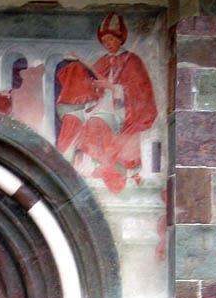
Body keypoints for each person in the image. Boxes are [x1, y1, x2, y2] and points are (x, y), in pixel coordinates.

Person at [55, 12, 157, 193]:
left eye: (111, 40)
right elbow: (92, 83)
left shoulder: (132, 61)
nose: (108, 44)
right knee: (73, 119)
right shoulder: (103, 61)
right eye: (105, 41)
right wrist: (85, 72)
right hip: (99, 105)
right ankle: (71, 168)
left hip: (122, 111)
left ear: (120, 39)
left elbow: (140, 92)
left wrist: (112, 87)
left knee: (96, 122)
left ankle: (100, 167)